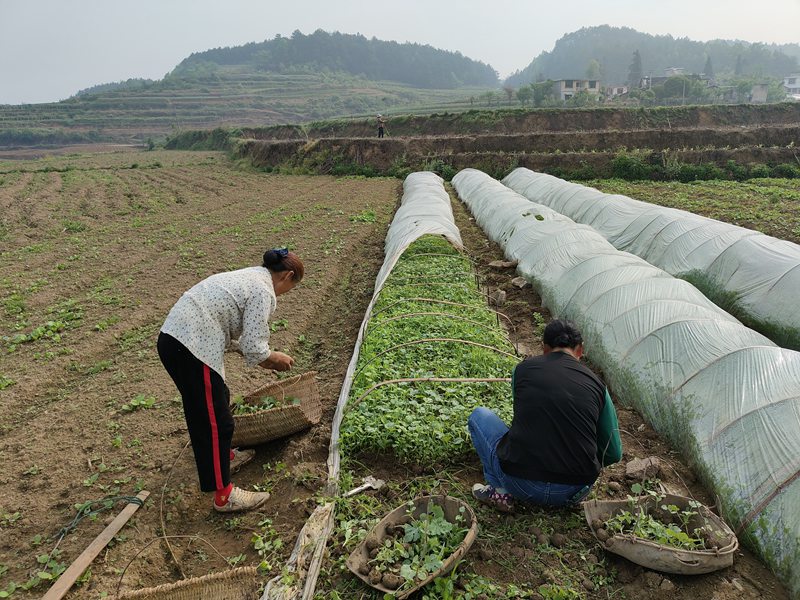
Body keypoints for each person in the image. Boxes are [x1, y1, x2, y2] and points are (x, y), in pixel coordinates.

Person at [157, 248, 304, 513]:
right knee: (215, 422)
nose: (285, 294)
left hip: (178, 339)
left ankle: (223, 457)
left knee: (217, 400)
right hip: (191, 344)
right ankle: (224, 496)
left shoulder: (252, 276)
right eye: (291, 289)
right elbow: (255, 347)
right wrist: (274, 359)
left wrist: (260, 355)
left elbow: (234, 332)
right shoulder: (264, 291)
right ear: (288, 276)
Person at [468, 319, 622, 513]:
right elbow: (614, 452)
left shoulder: (523, 370)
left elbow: (524, 418)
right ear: (580, 350)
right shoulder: (597, 386)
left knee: (479, 415)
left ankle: (500, 492)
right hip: (575, 490)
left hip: (520, 483)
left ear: (545, 348)